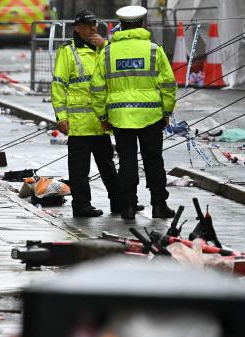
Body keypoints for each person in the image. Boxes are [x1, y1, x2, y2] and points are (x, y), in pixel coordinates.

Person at [91, 5, 177, 220]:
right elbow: (168, 84)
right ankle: (159, 205)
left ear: (121, 25)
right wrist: (166, 111)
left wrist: (103, 116)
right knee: (154, 161)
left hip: (120, 117)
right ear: (142, 24)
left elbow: (97, 88)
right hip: (151, 116)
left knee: (127, 162)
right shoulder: (154, 50)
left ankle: (128, 207)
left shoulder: (108, 51)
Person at [51, 9, 120, 217]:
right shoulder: (68, 51)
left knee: (108, 166)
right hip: (79, 123)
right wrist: (61, 117)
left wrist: (105, 46)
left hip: (102, 122)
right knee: (79, 170)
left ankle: (120, 202)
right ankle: (81, 206)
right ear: (77, 28)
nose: (92, 29)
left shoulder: (105, 49)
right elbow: (59, 85)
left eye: (94, 25)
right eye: (88, 25)